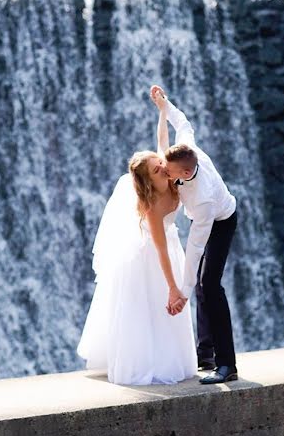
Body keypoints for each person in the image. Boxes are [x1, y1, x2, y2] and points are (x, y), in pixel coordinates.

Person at [76, 93, 197, 385]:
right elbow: (160, 251)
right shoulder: (152, 206)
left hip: (168, 248)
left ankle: (173, 359)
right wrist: (173, 288)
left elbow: (162, 138)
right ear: (148, 181)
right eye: (158, 169)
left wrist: (162, 110)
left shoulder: (166, 173)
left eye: (162, 163)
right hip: (148, 258)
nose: (164, 168)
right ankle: (147, 363)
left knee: (165, 320)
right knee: (147, 313)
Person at [149, 85, 238, 385]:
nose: (165, 173)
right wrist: (164, 105)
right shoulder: (186, 150)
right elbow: (184, 123)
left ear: (185, 174)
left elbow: (196, 247)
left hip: (222, 220)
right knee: (204, 285)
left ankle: (227, 365)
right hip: (207, 217)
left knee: (208, 285)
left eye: (169, 172)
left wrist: (181, 292)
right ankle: (205, 355)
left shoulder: (202, 201)